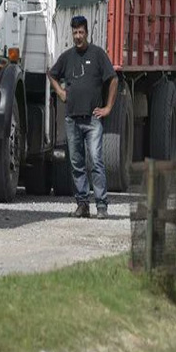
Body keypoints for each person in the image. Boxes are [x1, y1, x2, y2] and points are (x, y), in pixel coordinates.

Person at [48, 15, 118, 219]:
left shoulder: (97, 55)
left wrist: (108, 108)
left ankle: (102, 206)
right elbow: (52, 73)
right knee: (76, 163)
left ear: (87, 33)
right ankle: (82, 204)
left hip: (93, 119)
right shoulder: (67, 57)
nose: (78, 36)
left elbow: (113, 79)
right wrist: (60, 92)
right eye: (75, 32)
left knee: (95, 161)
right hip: (72, 119)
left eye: (81, 32)